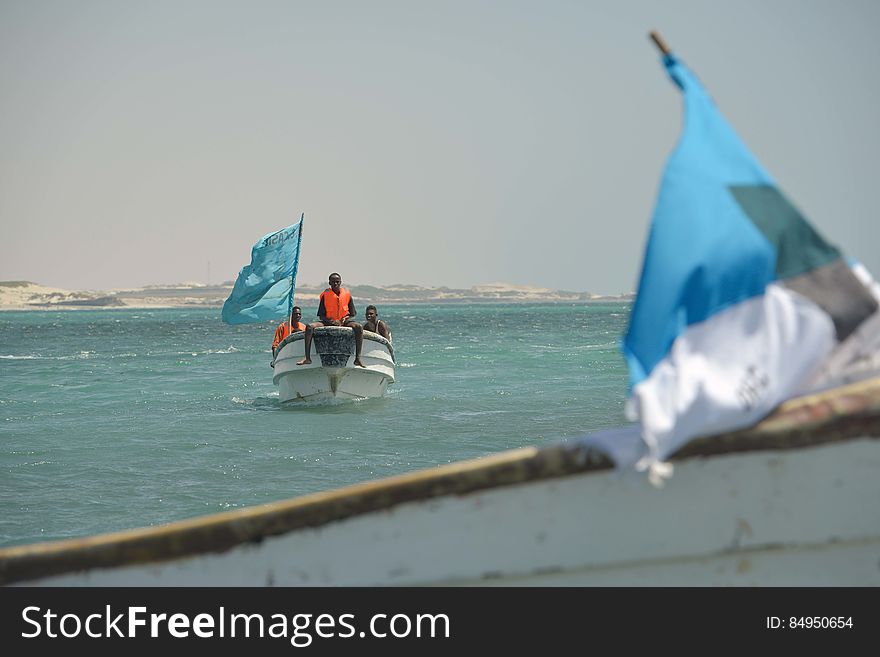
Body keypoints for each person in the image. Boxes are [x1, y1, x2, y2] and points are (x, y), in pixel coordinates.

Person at [297, 273, 365, 367]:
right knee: (309, 327)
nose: (335, 284)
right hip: (327, 321)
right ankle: (307, 358)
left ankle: (358, 358)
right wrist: (332, 322)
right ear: (329, 283)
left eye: (337, 282)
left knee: (359, 327)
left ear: (341, 282)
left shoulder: (347, 295)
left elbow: (353, 314)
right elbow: (321, 316)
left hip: (344, 321)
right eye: (333, 282)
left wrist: (345, 318)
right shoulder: (325, 295)